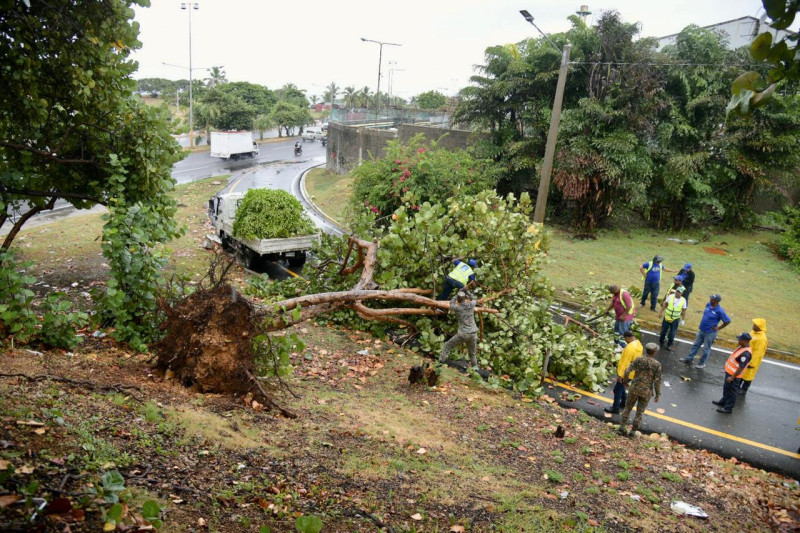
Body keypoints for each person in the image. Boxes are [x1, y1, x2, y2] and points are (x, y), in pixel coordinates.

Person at [618, 342, 662, 437]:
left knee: (627, 408)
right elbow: (657, 381)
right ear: (654, 353)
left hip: (634, 388)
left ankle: (622, 427)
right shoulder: (657, 365)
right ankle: (633, 432)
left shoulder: (639, 359)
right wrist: (658, 394)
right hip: (646, 392)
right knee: (639, 412)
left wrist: (625, 380)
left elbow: (628, 370)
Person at [681, 294, 731, 369]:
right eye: (711, 298)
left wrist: (718, 328)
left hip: (710, 333)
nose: (710, 299)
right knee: (695, 345)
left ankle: (702, 363)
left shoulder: (720, 311)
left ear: (716, 301)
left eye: (712, 299)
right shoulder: (708, 304)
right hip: (702, 330)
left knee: (706, 349)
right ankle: (689, 359)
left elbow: (727, 321)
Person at [712, 333, 752, 413]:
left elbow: (741, 367)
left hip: (734, 376)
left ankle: (728, 408)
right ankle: (723, 401)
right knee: (726, 388)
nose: (738, 340)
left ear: (745, 341)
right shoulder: (742, 347)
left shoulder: (745, 354)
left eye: (740, 339)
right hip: (729, 372)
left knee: (732, 392)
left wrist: (732, 377)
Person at [605, 331, 642, 414]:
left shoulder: (629, 348)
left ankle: (615, 408)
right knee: (621, 388)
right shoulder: (638, 344)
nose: (625, 341)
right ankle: (623, 403)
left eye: (625, 339)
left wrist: (620, 376)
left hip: (625, 373)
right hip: (633, 372)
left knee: (617, 390)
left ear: (628, 337)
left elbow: (625, 363)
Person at [439, 289, 479, 368]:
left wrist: (456, 295)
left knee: (447, 346)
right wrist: (467, 292)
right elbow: (474, 299)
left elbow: (451, 303)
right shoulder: (471, 305)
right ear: (465, 298)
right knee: (472, 353)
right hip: (473, 334)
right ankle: (475, 368)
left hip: (463, 334)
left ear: (458, 300)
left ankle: (440, 362)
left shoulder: (457, 308)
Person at [738, 318, 768, 395]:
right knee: (742, 373)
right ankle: (738, 386)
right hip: (746, 356)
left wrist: (752, 363)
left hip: (751, 360)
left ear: (759, 327)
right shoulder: (753, 332)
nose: (753, 326)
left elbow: (759, 353)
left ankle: (744, 389)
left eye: (755, 325)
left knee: (749, 376)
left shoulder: (762, 339)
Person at [658, 286, 687, 351]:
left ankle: (669, 344)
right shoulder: (670, 296)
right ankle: (661, 342)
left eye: (679, 292)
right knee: (663, 331)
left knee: (672, 333)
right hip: (667, 317)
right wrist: (660, 312)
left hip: (675, 319)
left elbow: (684, 311)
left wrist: (683, 320)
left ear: (681, 293)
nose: (677, 293)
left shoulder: (683, 300)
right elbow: (665, 305)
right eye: (677, 291)